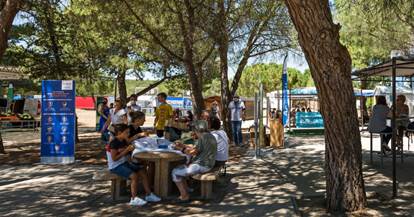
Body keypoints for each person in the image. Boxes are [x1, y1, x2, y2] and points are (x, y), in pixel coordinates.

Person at [106, 124, 161, 206]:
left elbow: (128, 146)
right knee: (134, 176)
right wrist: (126, 150)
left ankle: (149, 194)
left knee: (142, 170)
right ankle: (133, 198)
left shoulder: (123, 140)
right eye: (126, 132)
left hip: (124, 163)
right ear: (119, 133)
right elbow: (114, 159)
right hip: (115, 166)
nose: (128, 134)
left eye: (128, 132)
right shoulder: (114, 143)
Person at [171, 120, 217, 202]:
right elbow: (196, 148)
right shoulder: (209, 136)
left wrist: (180, 148)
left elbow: (192, 152)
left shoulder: (202, 137)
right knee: (181, 168)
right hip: (208, 164)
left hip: (202, 165)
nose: (193, 131)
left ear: (197, 129)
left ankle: (184, 196)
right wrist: (183, 145)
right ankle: (186, 190)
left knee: (175, 172)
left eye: (194, 129)